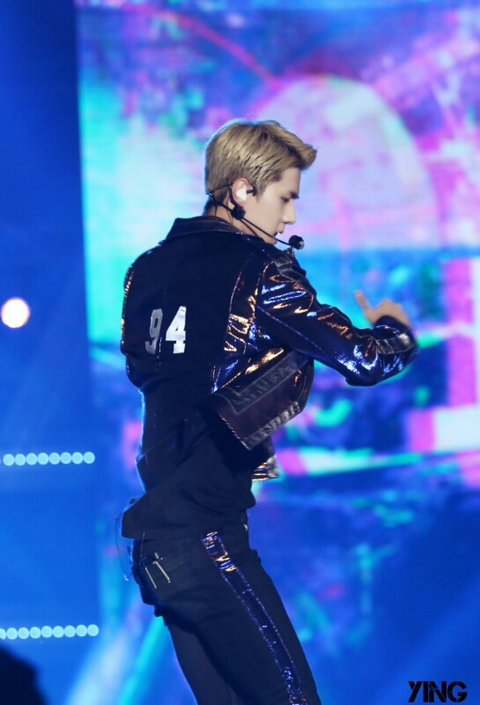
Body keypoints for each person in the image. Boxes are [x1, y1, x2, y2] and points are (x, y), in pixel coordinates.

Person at [120, 119, 417, 705]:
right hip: (208, 541)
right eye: (285, 198)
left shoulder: (145, 270)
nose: (291, 219)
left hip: (158, 550)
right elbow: (364, 359)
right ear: (241, 190)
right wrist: (397, 332)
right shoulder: (258, 270)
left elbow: (147, 373)